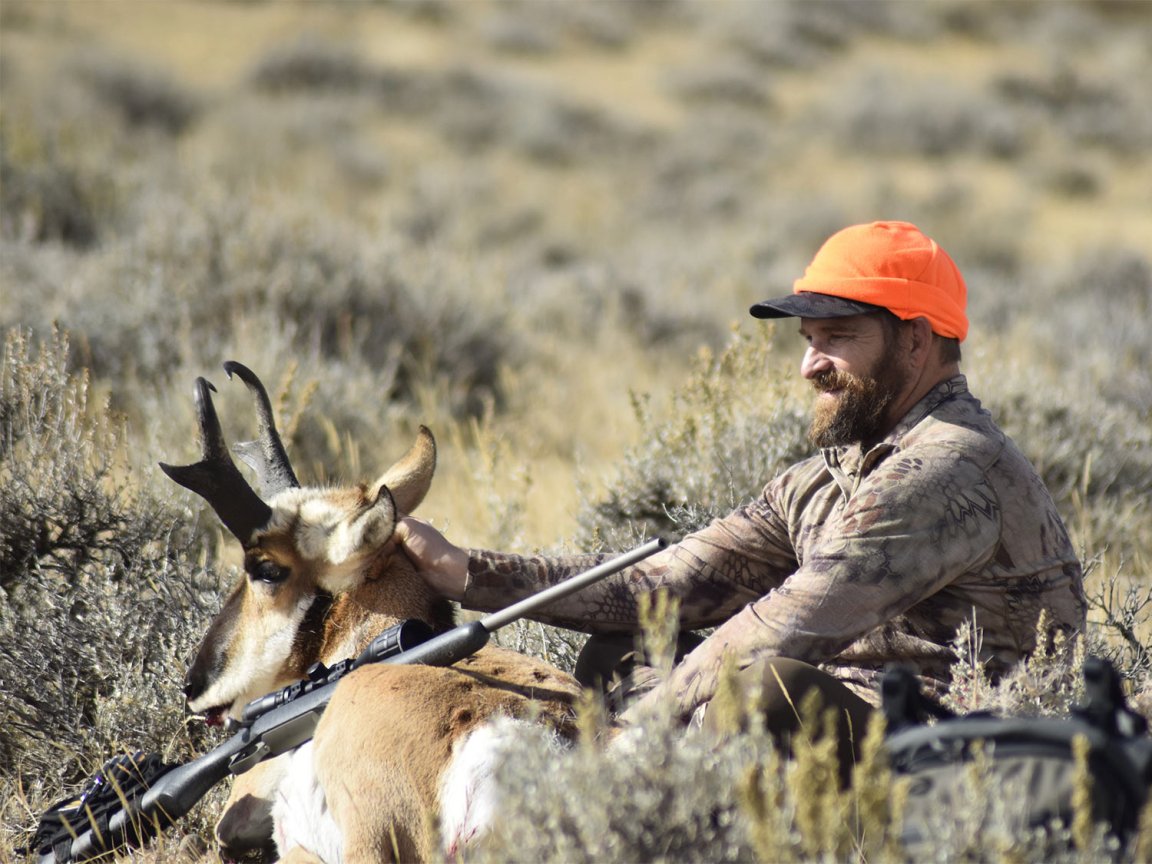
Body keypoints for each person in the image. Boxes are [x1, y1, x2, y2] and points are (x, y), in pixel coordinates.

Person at [396, 221, 1086, 770]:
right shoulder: (829, 475)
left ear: (915, 339)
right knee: (624, 647)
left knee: (755, 688)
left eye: (837, 337)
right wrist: (467, 573)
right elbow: (666, 585)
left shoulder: (950, 467)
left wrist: (628, 732)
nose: (810, 364)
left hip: (957, 759)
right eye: (808, 338)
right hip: (845, 728)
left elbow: (785, 624)